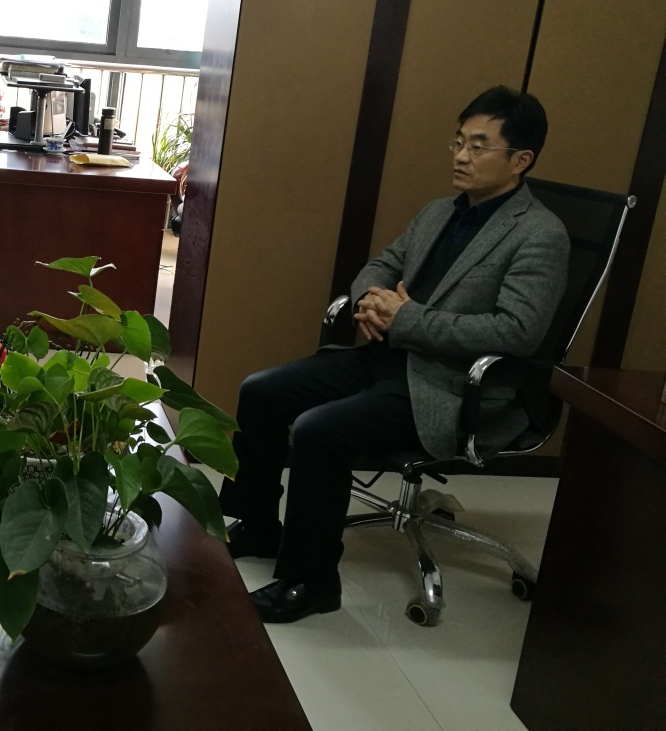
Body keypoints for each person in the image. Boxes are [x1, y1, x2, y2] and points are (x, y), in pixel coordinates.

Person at [218, 86, 569, 624]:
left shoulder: (540, 234)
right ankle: (260, 525)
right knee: (261, 391)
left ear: (520, 160)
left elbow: (516, 332)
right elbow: (381, 265)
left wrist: (406, 319)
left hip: (451, 385)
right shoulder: (439, 212)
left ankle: (311, 582)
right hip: (388, 358)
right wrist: (371, 301)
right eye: (458, 142)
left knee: (318, 430)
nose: (461, 156)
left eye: (478, 146)